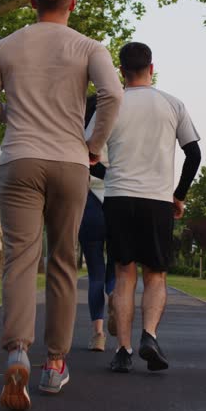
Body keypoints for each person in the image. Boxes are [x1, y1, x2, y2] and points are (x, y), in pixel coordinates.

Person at [0, 0, 123, 410]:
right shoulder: (89, 46)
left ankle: (18, 350)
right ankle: (54, 365)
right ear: (73, 3)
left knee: (21, 259)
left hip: (19, 159)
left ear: (32, 1)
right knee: (62, 261)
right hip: (70, 161)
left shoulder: (8, 45)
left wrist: (16, 113)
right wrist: (93, 144)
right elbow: (112, 95)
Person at [100, 42, 202, 374]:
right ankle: (150, 335)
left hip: (118, 198)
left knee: (123, 274)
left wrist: (111, 172)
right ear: (151, 68)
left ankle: (124, 349)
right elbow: (194, 154)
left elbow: (87, 155)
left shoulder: (110, 105)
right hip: (157, 199)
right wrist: (179, 194)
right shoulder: (172, 104)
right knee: (155, 274)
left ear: (120, 71)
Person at [80, 95, 116, 352]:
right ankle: (115, 298)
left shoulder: (81, 131)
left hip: (89, 204)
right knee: (115, 269)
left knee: (95, 274)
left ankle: (98, 335)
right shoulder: (121, 126)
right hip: (117, 203)